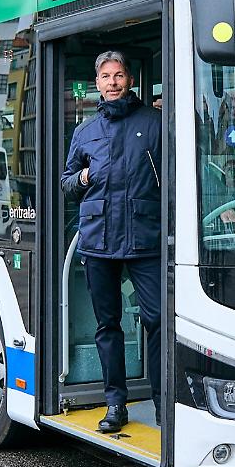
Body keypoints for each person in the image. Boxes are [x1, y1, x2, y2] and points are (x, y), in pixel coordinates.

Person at [61, 50, 163, 433]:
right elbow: (66, 183)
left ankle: (161, 404)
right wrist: (84, 177)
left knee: (156, 319)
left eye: (119, 75)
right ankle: (115, 403)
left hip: (144, 237)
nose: (113, 82)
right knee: (108, 325)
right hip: (98, 238)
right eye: (106, 76)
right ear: (97, 83)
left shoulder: (153, 122)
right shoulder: (85, 132)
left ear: (130, 80)